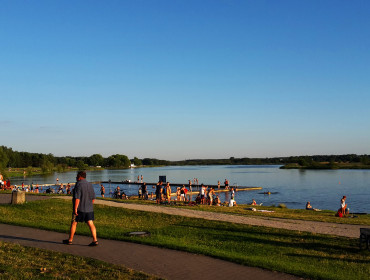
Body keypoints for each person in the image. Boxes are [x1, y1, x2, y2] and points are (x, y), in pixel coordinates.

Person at [63, 171, 98, 246]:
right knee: (90, 223)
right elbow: (93, 198)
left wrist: (75, 208)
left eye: (76, 176)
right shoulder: (89, 185)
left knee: (74, 223)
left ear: (79, 176)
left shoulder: (78, 184)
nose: (76, 178)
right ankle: (95, 240)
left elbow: (77, 198)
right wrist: (90, 205)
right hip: (89, 209)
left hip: (79, 209)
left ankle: (70, 240)